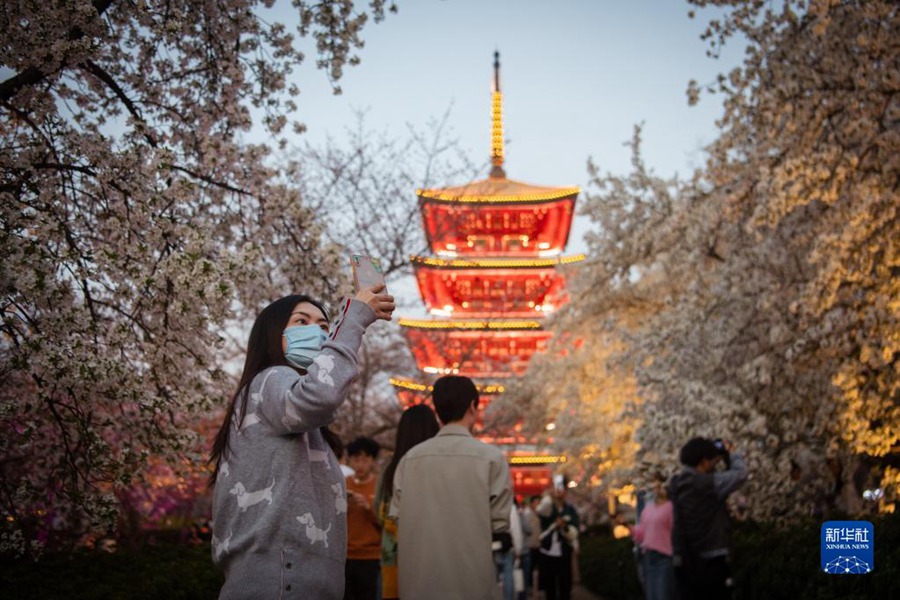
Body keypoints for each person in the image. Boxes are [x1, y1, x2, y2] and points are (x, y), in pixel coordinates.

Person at [209, 287, 395, 600]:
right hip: (283, 580)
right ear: (273, 334)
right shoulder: (271, 379)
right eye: (301, 321)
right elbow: (320, 395)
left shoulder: (292, 412)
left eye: (325, 327)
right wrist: (353, 321)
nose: (317, 333)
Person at [390, 375, 513, 600]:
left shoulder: (409, 460)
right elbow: (500, 524)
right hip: (472, 583)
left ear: (437, 411)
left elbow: (397, 517)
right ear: (473, 407)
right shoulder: (492, 459)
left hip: (418, 584)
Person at [373, 404, 440, 600]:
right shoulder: (437, 467)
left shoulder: (390, 468)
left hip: (393, 554)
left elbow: (379, 510)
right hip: (431, 552)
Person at [669, 437, 749, 599]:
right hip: (712, 558)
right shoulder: (706, 484)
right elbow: (740, 474)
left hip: (687, 558)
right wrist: (733, 454)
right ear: (704, 462)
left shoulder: (678, 483)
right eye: (713, 461)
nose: (715, 465)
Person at [344, 437, 382, 600]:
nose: (360, 465)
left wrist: (368, 508)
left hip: (371, 556)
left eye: (365, 460)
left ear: (373, 461)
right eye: (356, 460)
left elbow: (385, 523)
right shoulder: (343, 484)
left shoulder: (379, 485)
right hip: (346, 555)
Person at [631, 474, 676, 600]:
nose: (657, 488)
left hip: (664, 557)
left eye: (660, 485)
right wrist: (626, 527)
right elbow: (641, 533)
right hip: (648, 556)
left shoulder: (670, 508)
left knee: (663, 595)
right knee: (652, 595)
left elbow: (675, 532)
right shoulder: (648, 509)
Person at [536, 479, 579, 600]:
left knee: (565, 585)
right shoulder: (548, 508)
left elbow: (574, 530)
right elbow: (541, 511)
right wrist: (549, 497)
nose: (559, 491)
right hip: (547, 552)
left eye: (561, 489)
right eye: (556, 488)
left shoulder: (570, 510)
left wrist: (563, 527)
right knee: (550, 587)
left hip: (564, 552)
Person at [521, 495, 542, 598]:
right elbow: (527, 529)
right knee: (529, 569)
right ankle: (529, 589)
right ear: (531, 503)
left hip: (537, 544)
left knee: (535, 569)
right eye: (536, 502)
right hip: (529, 545)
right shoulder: (527, 513)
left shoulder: (536, 513)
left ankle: (535, 589)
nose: (538, 504)